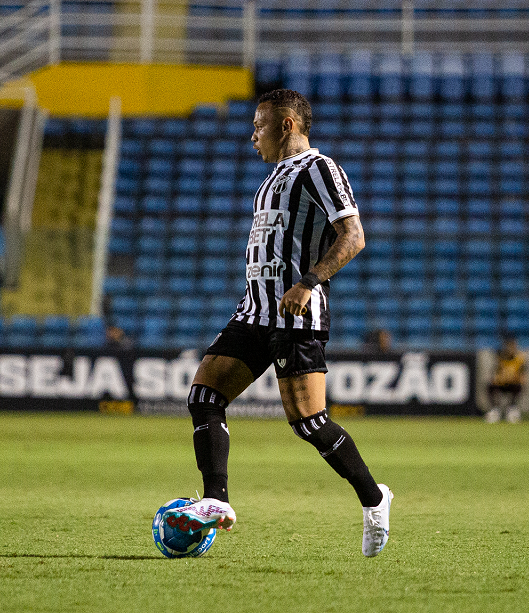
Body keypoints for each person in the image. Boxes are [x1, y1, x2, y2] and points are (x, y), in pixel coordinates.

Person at [161, 89, 393, 557]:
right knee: (204, 396)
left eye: (258, 126)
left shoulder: (319, 169)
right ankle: (215, 502)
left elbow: (354, 236)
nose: (252, 138)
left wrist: (309, 281)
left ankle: (375, 500)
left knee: (310, 424)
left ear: (286, 125)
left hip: (296, 316)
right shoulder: (271, 180)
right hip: (254, 312)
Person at [485, 336, 527, 423]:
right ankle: (495, 409)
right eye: (509, 346)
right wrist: (500, 378)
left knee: (519, 386)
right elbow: (495, 375)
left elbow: (523, 377)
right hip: (501, 383)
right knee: (490, 386)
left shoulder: (520, 359)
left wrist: (515, 378)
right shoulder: (500, 357)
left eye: (513, 346)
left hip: (513, 384)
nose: (511, 348)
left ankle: (512, 408)